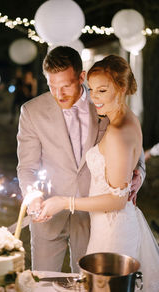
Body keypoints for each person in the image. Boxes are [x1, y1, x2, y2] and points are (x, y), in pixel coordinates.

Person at [17, 47, 145, 273]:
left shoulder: (104, 101)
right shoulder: (31, 111)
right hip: (49, 218)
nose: (59, 94)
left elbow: (133, 145)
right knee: (44, 283)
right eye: (52, 86)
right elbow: (27, 167)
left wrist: (140, 174)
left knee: (89, 283)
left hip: (94, 218)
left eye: (66, 85)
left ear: (81, 77)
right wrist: (33, 197)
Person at [37, 55, 159, 291]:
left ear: (121, 87)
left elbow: (116, 200)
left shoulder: (117, 132)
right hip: (111, 224)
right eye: (91, 89)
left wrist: (64, 202)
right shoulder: (128, 118)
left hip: (114, 230)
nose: (94, 97)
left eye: (102, 90)